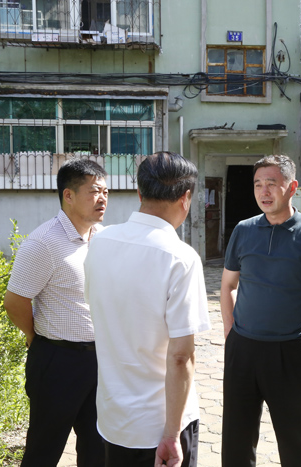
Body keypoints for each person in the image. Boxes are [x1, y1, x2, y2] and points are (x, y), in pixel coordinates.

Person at [84, 151, 211, 467]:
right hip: (160, 424)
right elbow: (181, 356)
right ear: (185, 198)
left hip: (114, 417)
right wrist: (171, 434)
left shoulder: (100, 242)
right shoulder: (181, 258)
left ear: (140, 193)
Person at [220, 155, 301, 467]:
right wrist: (231, 335)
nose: (264, 191)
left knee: (294, 438)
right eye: (258, 184)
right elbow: (228, 286)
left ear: (292, 187)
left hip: (290, 352)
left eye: (272, 184)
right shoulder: (243, 230)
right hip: (243, 349)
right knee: (236, 437)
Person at [4, 158, 109, 467]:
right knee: (44, 451)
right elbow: (15, 301)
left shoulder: (102, 237)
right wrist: (34, 336)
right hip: (58, 361)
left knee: (98, 449)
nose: (102, 199)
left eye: (105, 192)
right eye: (94, 191)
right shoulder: (44, 242)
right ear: (68, 195)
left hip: (100, 360)